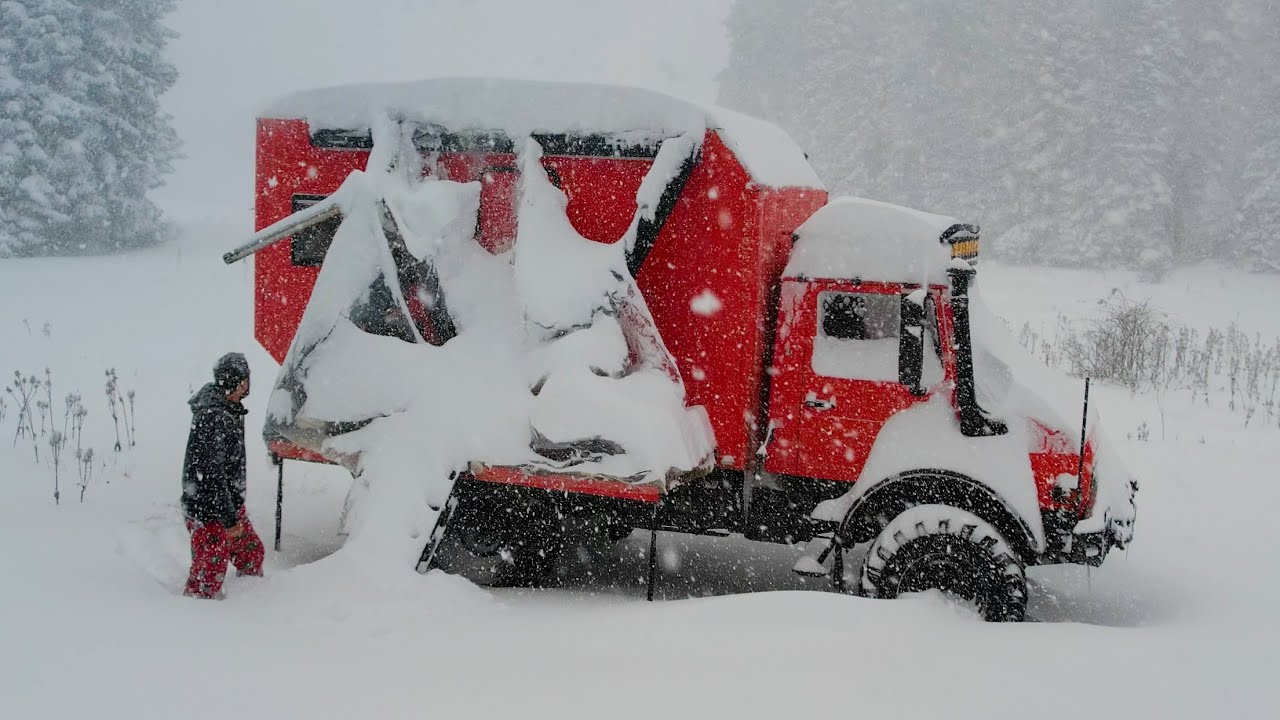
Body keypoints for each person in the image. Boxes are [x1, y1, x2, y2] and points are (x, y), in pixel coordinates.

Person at [179, 352, 264, 599]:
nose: (249, 384)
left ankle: (252, 598)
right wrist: (228, 521)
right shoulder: (213, 417)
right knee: (210, 572)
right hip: (208, 509)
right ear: (239, 382)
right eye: (246, 378)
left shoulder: (230, 407)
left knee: (251, 553)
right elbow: (212, 475)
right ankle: (196, 616)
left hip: (227, 504)